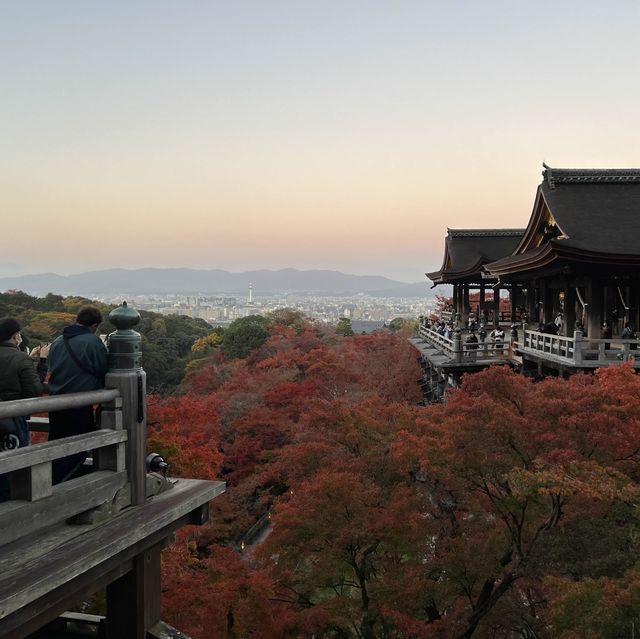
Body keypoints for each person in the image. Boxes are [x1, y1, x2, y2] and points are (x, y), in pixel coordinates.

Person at [47, 305, 108, 484]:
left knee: (58, 447)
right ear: (95, 325)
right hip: (79, 404)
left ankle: (51, 484)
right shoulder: (92, 342)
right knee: (78, 448)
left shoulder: (58, 340)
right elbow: (103, 368)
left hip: (54, 403)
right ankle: (61, 488)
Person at [0, 317, 43, 500]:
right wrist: (42, 361)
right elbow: (35, 390)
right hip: (13, 418)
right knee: (14, 464)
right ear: (15, 335)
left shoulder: (22, 358)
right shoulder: (20, 358)